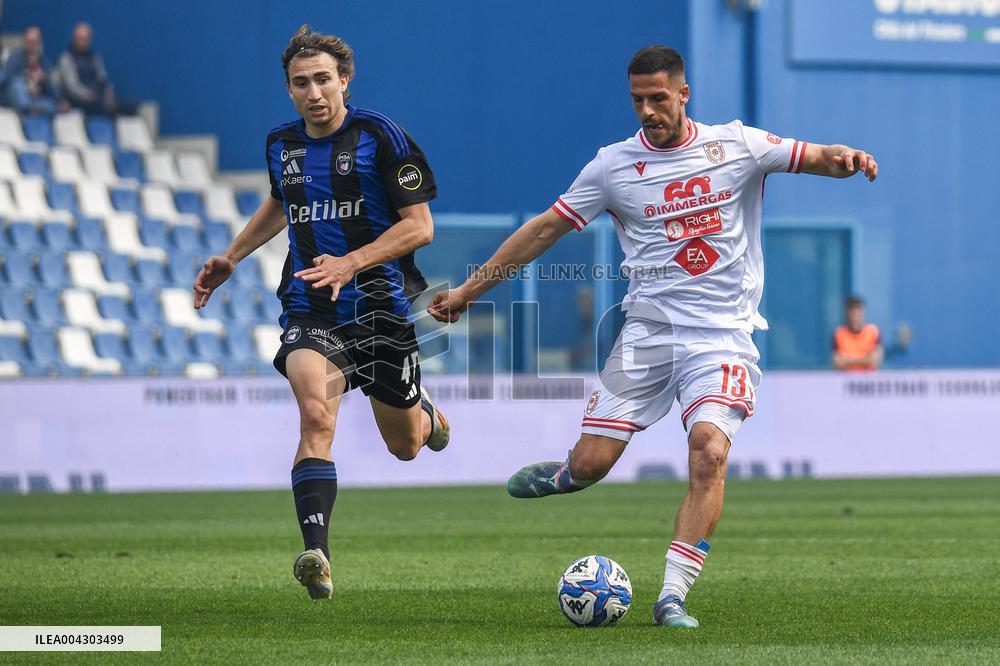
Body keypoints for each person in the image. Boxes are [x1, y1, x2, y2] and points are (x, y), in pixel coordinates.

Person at [428, 45, 877, 628]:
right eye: (638, 99)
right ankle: (568, 475)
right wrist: (467, 293)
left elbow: (811, 154)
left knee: (710, 452)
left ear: (683, 94)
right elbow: (542, 231)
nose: (647, 110)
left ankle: (672, 596)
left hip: (722, 337)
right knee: (593, 465)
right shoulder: (612, 167)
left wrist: (842, 158)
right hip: (648, 332)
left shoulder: (735, 146)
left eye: (658, 98)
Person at [192, 25, 450, 602]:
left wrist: (351, 262)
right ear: (288, 89)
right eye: (300, 83)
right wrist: (232, 257)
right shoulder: (280, 145)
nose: (313, 93)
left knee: (406, 445)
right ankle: (319, 554)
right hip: (312, 306)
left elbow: (420, 226)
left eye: (323, 80)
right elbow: (281, 204)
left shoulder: (382, 138)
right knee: (316, 416)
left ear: (344, 81)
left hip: (382, 308)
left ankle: (427, 416)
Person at [57, 22, 133, 116]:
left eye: (85, 39)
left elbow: (103, 80)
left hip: (99, 98)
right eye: (80, 39)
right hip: (81, 101)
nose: (83, 43)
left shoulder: (95, 58)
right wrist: (88, 95)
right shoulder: (66, 58)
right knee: (96, 106)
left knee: (131, 105)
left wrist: (109, 96)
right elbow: (72, 86)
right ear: (74, 39)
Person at [4, 26, 66, 115]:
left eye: (34, 42)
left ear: (39, 43)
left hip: (36, 99)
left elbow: (52, 88)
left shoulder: (44, 63)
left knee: (54, 105)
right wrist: (27, 76)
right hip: (17, 96)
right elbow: (8, 79)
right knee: (16, 84)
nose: (31, 46)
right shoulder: (14, 58)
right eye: (29, 42)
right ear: (24, 41)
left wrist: (44, 80)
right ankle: (27, 108)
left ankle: (32, 109)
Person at [832, 296, 883, 371]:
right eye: (851, 310)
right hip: (844, 380)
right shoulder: (839, 334)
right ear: (846, 312)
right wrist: (865, 359)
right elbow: (838, 362)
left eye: (858, 309)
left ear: (863, 312)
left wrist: (846, 359)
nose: (855, 314)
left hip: (868, 380)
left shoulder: (873, 332)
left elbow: (874, 360)